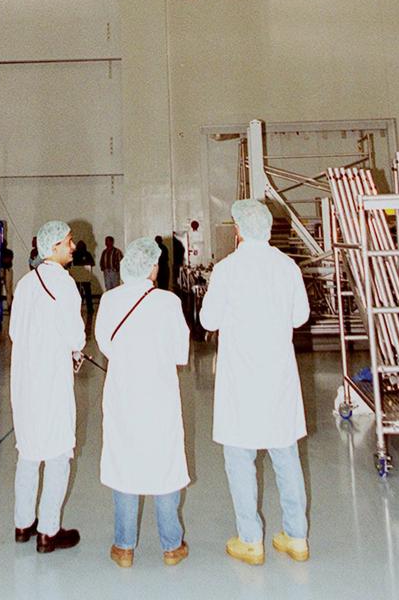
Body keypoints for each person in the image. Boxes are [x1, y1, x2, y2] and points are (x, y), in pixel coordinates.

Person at [199, 198, 310, 567]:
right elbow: (300, 316)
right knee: (286, 455)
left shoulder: (227, 270)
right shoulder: (288, 267)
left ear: (238, 231)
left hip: (241, 379)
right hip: (278, 377)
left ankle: (251, 540)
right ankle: (296, 537)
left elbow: (209, 321)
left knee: (240, 458)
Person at [96, 237, 190, 568]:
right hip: (159, 394)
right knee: (164, 464)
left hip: (123, 392)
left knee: (125, 463)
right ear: (152, 268)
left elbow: (105, 343)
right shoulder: (168, 302)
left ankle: (123, 547)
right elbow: (181, 353)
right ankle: (171, 546)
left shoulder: (109, 300)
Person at [9, 219, 86, 553]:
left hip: (24, 378)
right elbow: (75, 336)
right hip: (52, 379)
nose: (73, 247)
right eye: (69, 241)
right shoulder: (64, 284)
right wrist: (74, 350)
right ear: (53, 246)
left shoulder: (25, 283)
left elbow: (14, 333)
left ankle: (23, 524)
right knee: (57, 454)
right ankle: (49, 532)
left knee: (28, 452)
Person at [70, 239, 95, 323]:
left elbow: (92, 262)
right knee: (77, 293)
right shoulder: (75, 254)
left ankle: (90, 308)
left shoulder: (87, 254)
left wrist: (85, 263)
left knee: (88, 292)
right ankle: (77, 309)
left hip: (85, 276)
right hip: (77, 275)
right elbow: (71, 263)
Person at [0, 240, 14, 306]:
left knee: (8, 288)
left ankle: (9, 304)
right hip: (1, 270)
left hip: (8, 270)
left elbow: (8, 260)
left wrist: (2, 260)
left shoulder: (9, 252)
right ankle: (0, 304)